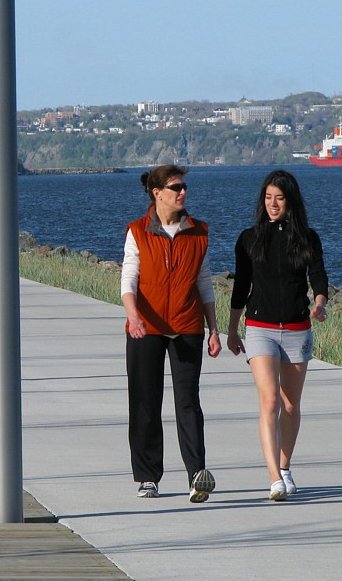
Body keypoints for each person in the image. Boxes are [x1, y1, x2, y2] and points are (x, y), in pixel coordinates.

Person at [121, 164, 222, 503]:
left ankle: (197, 475)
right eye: (176, 187)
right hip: (145, 329)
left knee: (188, 403)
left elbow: (204, 283)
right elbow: (129, 281)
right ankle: (148, 477)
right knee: (145, 403)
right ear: (157, 193)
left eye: (184, 186)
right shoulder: (137, 231)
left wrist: (214, 329)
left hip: (186, 326)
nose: (183, 192)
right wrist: (133, 317)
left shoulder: (199, 232)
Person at [227, 169, 328, 501]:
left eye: (279, 198)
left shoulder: (308, 238)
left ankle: (285, 467)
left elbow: (319, 276)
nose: (273, 204)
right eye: (268, 198)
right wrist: (231, 328)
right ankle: (274, 478)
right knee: (270, 400)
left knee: (291, 404)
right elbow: (241, 286)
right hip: (259, 328)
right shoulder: (249, 239)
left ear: (290, 201)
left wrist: (320, 303)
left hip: (298, 328)